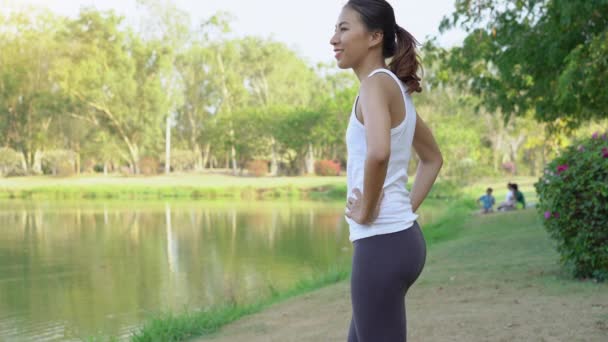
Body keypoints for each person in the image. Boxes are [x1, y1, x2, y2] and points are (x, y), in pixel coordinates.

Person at [332, 1, 443, 340]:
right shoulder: (394, 89)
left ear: (374, 37)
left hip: (381, 243)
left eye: (344, 28)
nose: (333, 39)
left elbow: (379, 153)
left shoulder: (375, 86)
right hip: (400, 239)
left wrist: (366, 211)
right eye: (335, 29)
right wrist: (403, 211)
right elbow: (432, 158)